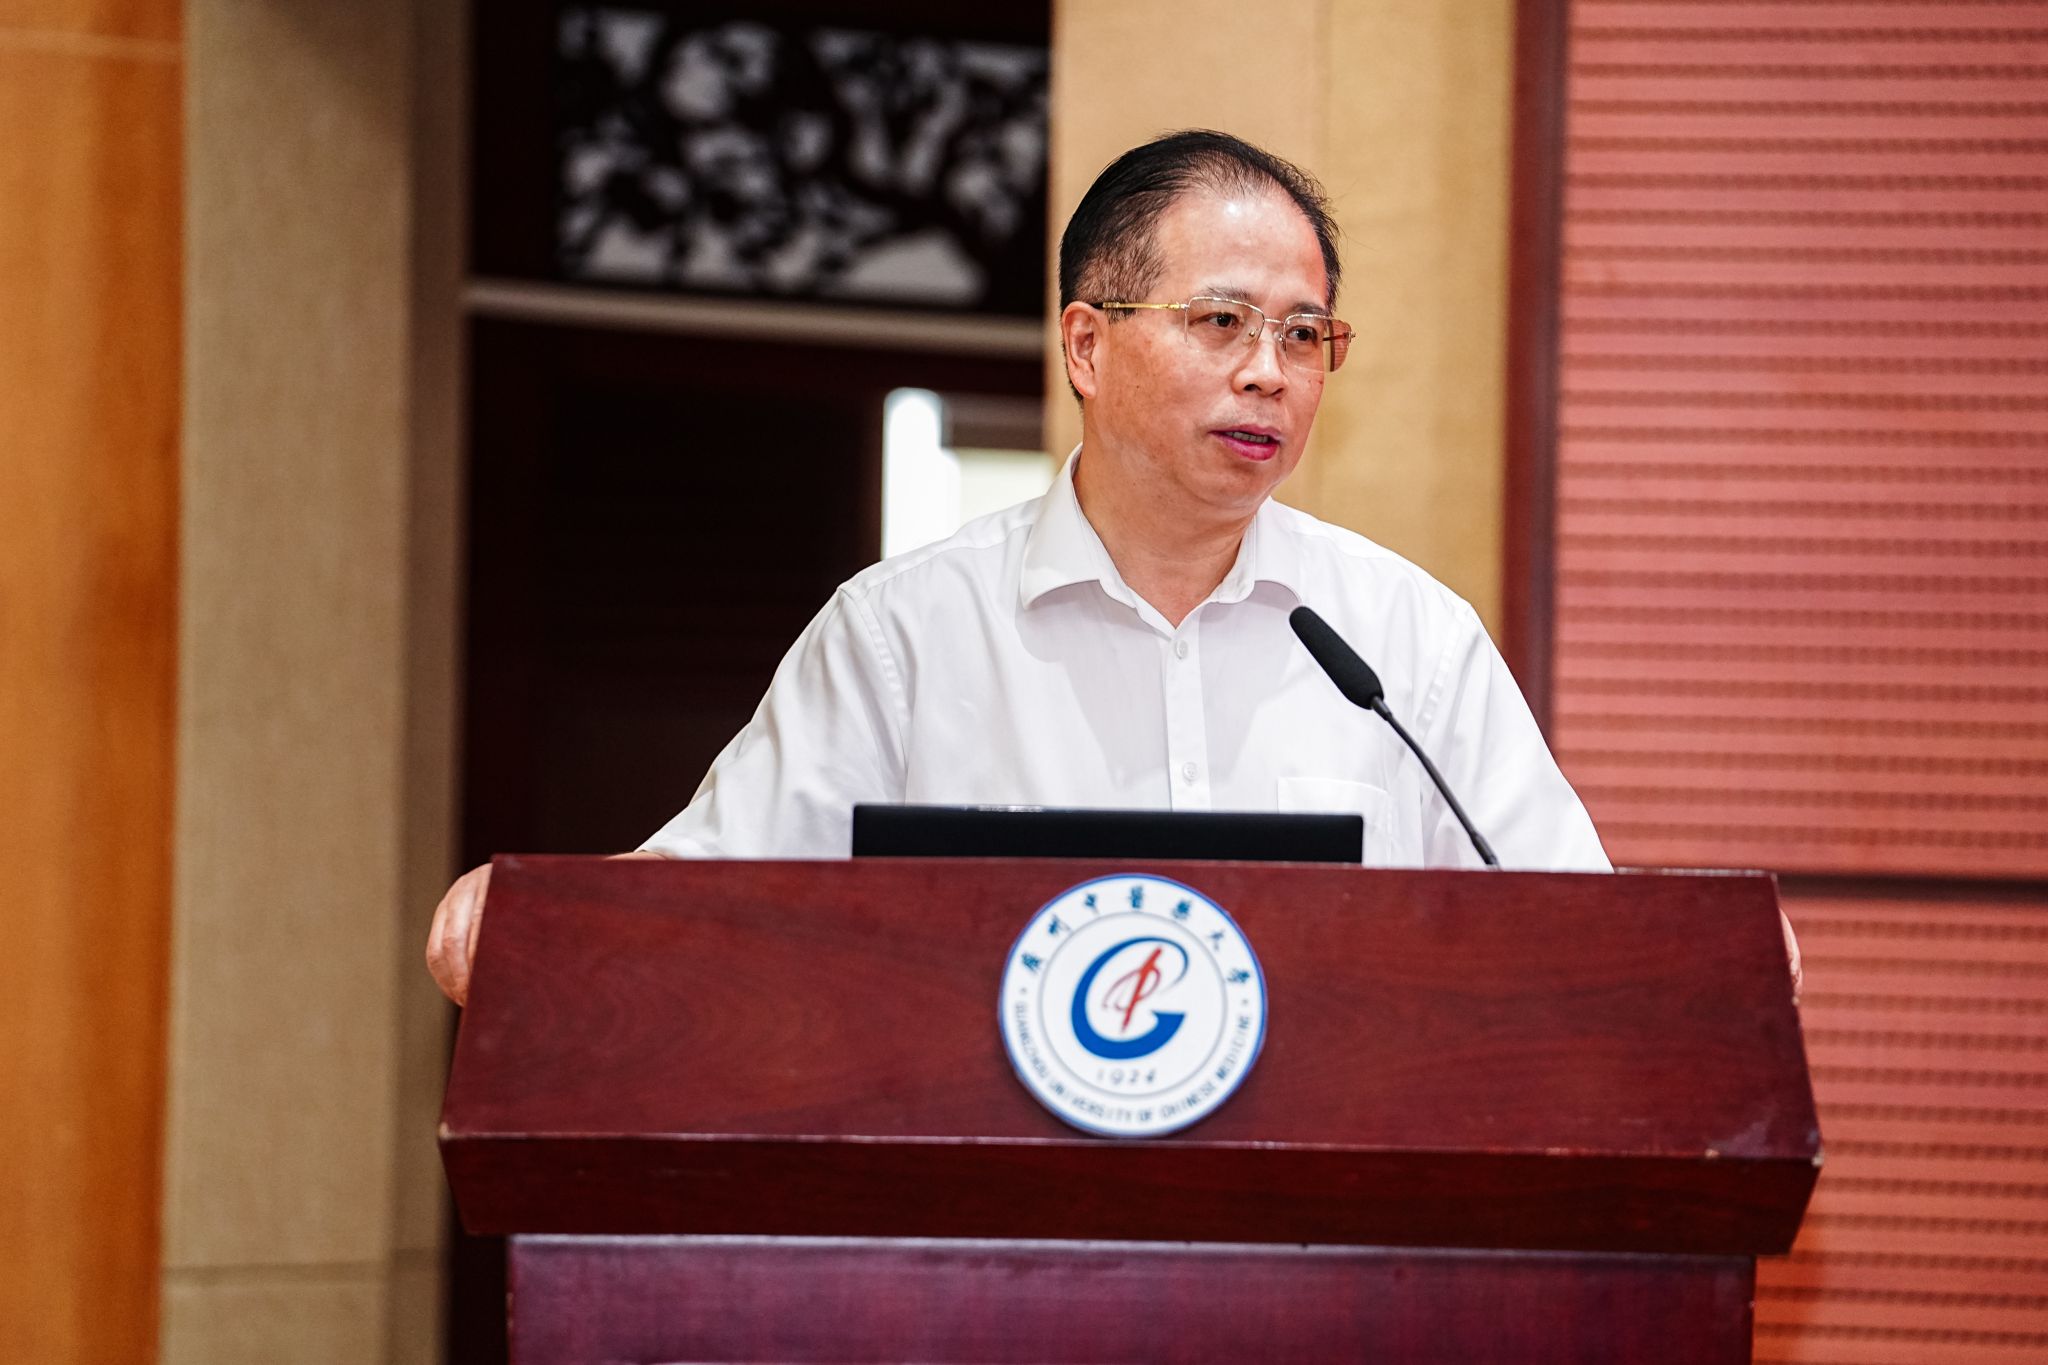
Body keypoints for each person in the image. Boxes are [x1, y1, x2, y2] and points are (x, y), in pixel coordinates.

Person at [430, 129, 1719, 1007]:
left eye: (1305, 334)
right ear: (1088, 347)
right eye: (1221, 322)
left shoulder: (1405, 642)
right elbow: (715, 895)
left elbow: (1577, 940)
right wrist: (544, 921)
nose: (1269, 371)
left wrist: (1703, 963)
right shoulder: (907, 635)